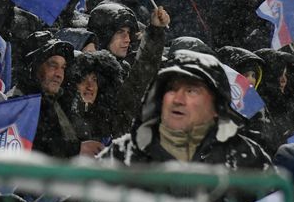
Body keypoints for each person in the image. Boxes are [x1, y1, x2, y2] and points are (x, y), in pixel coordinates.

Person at [105, 50, 271, 169]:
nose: (178, 100)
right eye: (171, 89)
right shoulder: (122, 153)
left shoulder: (247, 159)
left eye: (191, 91)